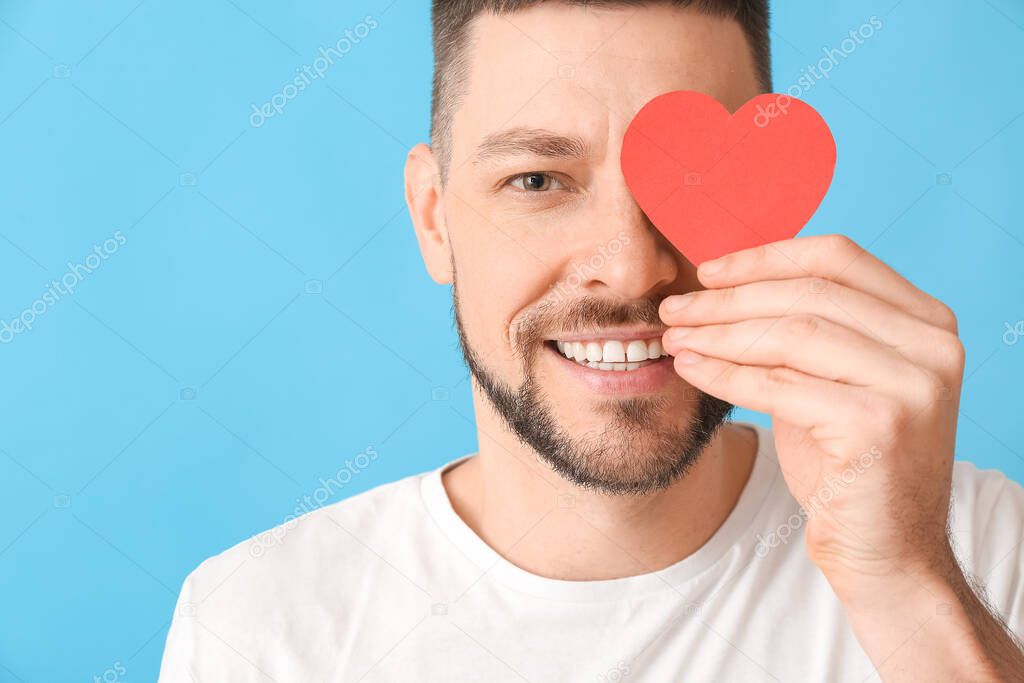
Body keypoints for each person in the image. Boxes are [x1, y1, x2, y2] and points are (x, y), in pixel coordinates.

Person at [158, 1, 1024, 680]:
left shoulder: (978, 550)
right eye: (536, 179)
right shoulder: (257, 621)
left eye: (694, 184)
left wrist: (907, 583)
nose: (630, 267)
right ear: (433, 218)